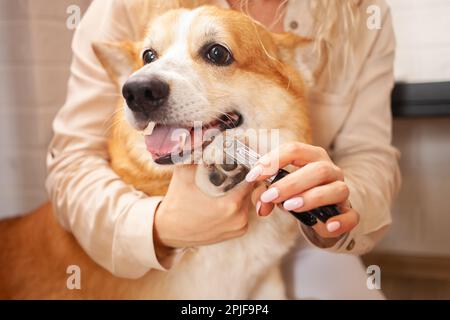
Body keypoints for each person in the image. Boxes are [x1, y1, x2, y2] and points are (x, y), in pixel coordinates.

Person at [46, 0, 400, 294]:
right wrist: (158, 226)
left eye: (216, 54)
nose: (142, 85)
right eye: (149, 56)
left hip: (293, 235)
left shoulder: (362, 13)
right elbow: (71, 162)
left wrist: (338, 205)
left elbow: (368, 155)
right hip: (138, 234)